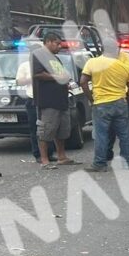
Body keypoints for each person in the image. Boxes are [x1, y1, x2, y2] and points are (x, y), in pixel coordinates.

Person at [80, 39, 129, 171]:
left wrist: (91, 98)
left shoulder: (93, 62)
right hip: (120, 103)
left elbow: (83, 82)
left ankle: (100, 163)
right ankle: (127, 162)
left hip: (101, 103)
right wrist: (126, 97)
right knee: (124, 134)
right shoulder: (124, 66)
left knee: (101, 134)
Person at [32, 32, 79, 169]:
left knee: (62, 130)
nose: (60, 46)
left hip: (62, 99)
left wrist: (66, 82)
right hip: (48, 100)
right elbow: (37, 73)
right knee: (46, 130)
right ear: (48, 42)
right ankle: (45, 160)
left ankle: (61, 156)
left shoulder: (55, 58)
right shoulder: (38, 55)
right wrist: (57, 77)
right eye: (57, 43)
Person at [15, 52, 57, 164]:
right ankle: (38, 154)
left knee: (49, 126)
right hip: (32, 98)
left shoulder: (47, 65)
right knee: (35, 128)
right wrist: (33, 76)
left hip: (47, 98)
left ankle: (50, 153)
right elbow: (19, 81)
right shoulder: (25, 66)